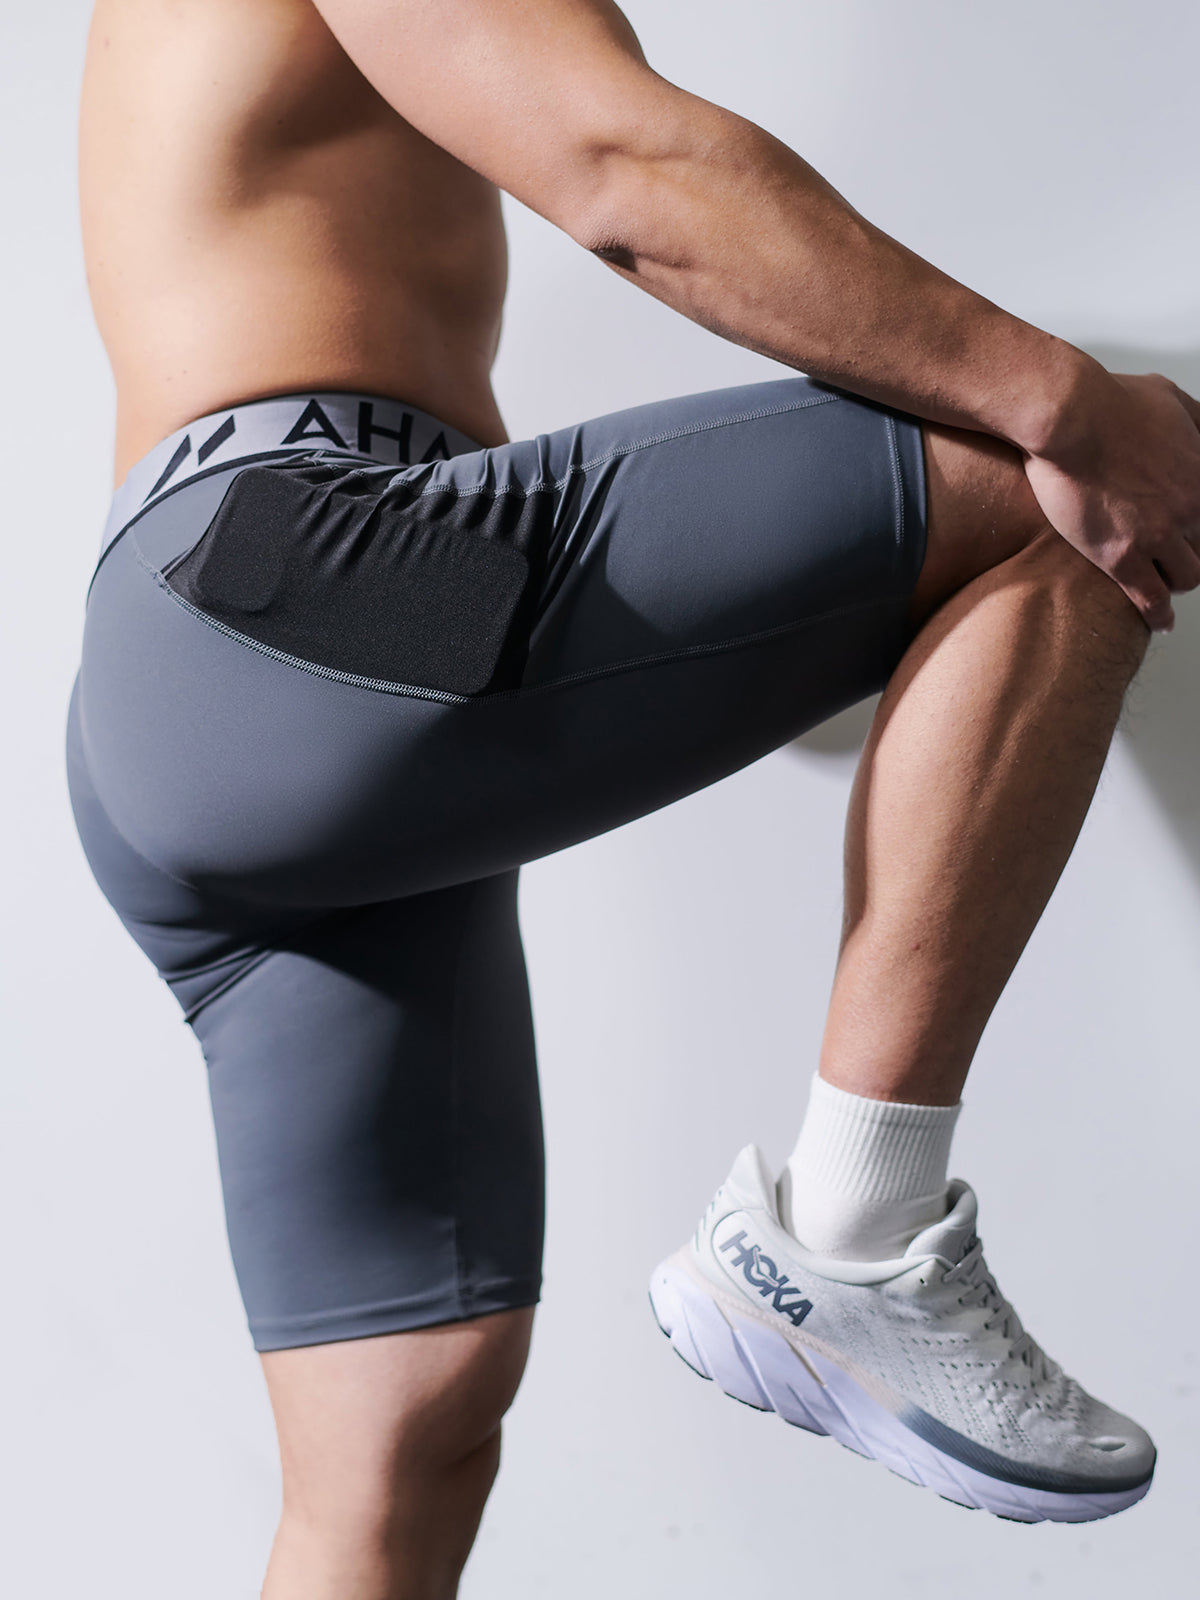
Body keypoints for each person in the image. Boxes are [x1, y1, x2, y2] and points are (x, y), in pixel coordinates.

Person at [69, 0, 1200, 1593]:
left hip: (206, 672)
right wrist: (1070, 404)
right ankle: (857, 1231)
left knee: (402, 1444)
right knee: (1072, 482)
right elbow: (623, 171)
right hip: (303, 584)